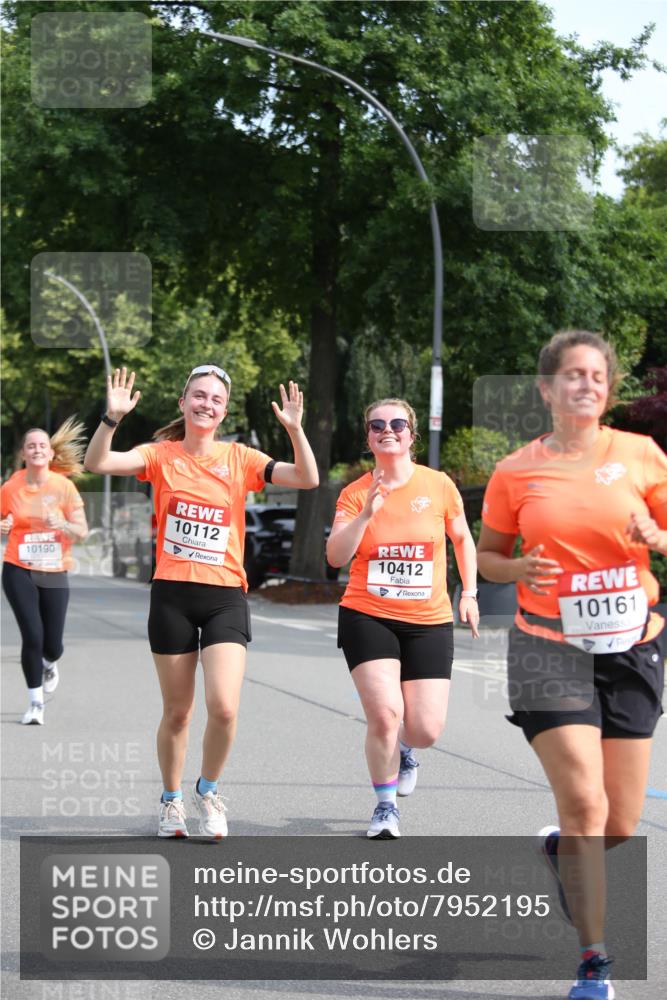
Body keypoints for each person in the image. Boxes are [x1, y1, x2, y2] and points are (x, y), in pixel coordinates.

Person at [476, 331, 667, 1000]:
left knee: (617, 824)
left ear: (607, 390)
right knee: (585, 803)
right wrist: (516, 569)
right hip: (546, 647)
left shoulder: (641, 455)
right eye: (573, 375)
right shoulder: (515, 470)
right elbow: (487, 557)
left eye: (597, 376)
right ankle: (593, 962)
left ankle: (561, 851)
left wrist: (658, 537)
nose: (586, 384)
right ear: (546, 388)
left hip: (632, 647)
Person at [84, 365, 318, 839]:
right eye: (198, 396)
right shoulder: (159, 456)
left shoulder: (241, 458)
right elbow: (97, 464)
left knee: (225, 707)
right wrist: (112, 419)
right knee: (178, 713)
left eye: (215, 399)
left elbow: (306, 478)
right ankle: (170, 800)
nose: (206, 404)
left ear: (223, 411)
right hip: (172, 595)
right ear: (183, 403)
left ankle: (207, 790)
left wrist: (295, 430)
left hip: (224, 596)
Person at [326, 398, 479, 839]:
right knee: (385, 714)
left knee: (426, 729)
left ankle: (408, 750)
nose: (387, 430)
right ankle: (385, 807)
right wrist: (367, 514)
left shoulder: (439, 485)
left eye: (397, 424)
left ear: (412, 434)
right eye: (377, 425)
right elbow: (335, 556)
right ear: (368, 437)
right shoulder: (355, 493)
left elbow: (462, 539)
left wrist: (469, 593)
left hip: (428, 619)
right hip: (367, 614)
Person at [1, 418, 89, 725]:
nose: (37, 450)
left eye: (42, 445)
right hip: (18, 568)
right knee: (32, 636)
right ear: (23, 454)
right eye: (31, 446)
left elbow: (82, 531)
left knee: (53, 645)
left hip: (53, 570)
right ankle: (35, 703)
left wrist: (62, 524)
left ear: (51, 454)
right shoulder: (10, 487)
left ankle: (50, 663)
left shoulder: (64, 487)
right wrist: (2, 526)